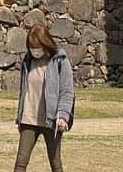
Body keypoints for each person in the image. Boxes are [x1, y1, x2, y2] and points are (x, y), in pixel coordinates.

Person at [14, 24, 75, 172]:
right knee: (20, 163)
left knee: (55, 163)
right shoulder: (28, 62)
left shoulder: (60, 61)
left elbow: (67, 92)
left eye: (37, 47)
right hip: (29, 119)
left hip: (52, 120)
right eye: (31, 47)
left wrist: (64, 116)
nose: (34, 51)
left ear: (45, 43)